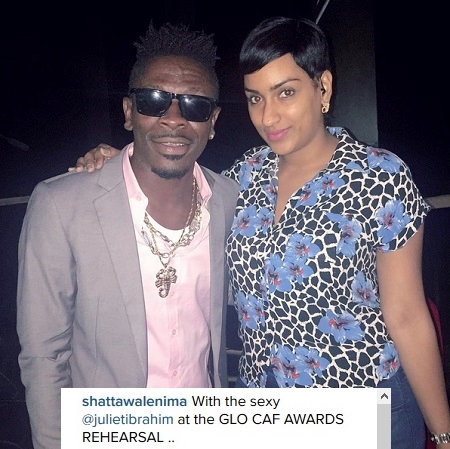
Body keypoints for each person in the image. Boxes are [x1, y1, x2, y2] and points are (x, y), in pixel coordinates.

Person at [71, 16, 450, 449]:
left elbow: (407, 316)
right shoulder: (244, 176)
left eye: (286, 92)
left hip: (363, 406)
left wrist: (443, 433)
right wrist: (119, 160)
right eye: (255, 98)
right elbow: (173, 183)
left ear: (323, 88)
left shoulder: (380, 176)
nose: (268, 116)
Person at [16, 22, 239, 449]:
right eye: (153, 100)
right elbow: (44, 355)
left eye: (194, 106)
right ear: (128, 111)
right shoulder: (62, 205)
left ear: (212, 122)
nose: (173, 118)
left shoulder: (230, 200)